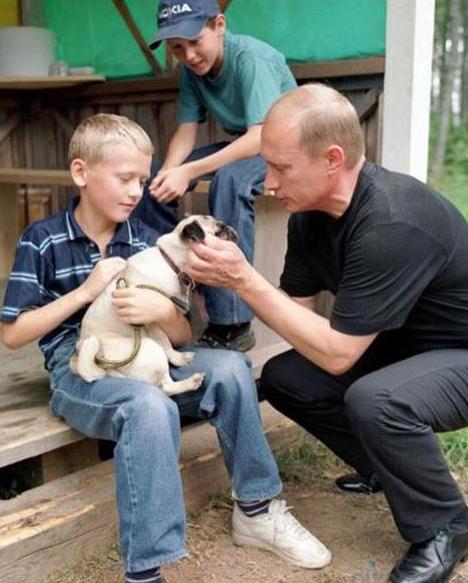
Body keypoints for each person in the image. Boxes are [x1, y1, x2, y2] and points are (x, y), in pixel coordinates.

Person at [0, 113, 331, 583]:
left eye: (142, 179)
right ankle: (146, 571)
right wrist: (85, 294)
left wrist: (161, 312)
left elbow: (178, 337)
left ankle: (257, 510)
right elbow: (13, 334)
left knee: (232, 368)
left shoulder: (144, 238)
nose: (136, 191)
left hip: (152, 351)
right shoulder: (43, 239)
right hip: (81, 367)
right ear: (81, 173)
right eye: (124, 178)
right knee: (148, 406)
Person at [186, 83, 468, 583]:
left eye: (281, 167)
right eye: (266, 165)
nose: (269, 182)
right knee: (286, 376)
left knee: (376, 400)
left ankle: (446, 526)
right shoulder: (310, 216)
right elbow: (295, 316)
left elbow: (337, 354)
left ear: (332, 159)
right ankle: (387, 469)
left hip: (459, 354)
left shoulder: (391, 221)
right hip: (401, 347)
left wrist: (243, 280)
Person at [132, 0, 297, 352]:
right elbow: (186, 130)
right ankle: (159, 291)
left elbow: (260, 137)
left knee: (230, 181)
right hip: (246, 143)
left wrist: (190, 170)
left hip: (284, 149)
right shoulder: (191, 71)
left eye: (195, 42)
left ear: (219, 25)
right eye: (178, 48)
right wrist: (171, 172)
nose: (189, 55)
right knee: (155, 184)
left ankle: (231, 323)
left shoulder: (251, 59)